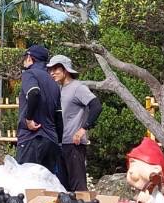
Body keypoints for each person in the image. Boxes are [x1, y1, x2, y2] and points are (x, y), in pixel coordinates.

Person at [46, 54, 102, 193]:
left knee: (78, 186)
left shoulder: (78, 87)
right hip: (59, 144)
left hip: (74, 144)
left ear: (65, 70)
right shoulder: (57, 89)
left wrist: (83, 128)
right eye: (50, 69)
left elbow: (96, 106)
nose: (52, 73)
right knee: (63, 188)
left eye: (56, 69)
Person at [16, 45, 66, 180]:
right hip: (51, 141)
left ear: (29, 58)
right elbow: (59, 115)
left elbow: (34, 92)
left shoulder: (29, 74)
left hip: (32, 138)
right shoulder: (54, 82)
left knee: (25, 183)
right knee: (45, 186)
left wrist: (29, 118)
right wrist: (59, 142)